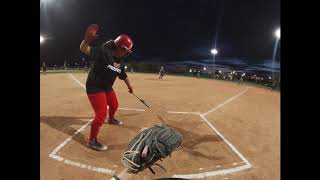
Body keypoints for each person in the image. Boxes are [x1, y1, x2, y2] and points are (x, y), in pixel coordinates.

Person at [80, 24, 134, 151]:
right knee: (101, 114)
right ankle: (92, 141)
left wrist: (130, 86)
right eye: (126, 50)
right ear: (120, 47)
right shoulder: (103, 51)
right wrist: (86, 40)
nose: (127, 53)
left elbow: (123, 74)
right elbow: (84, 49)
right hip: (95, 86)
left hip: (107, 87)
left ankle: (111, 119)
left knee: (114, 105)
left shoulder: (120, 60)